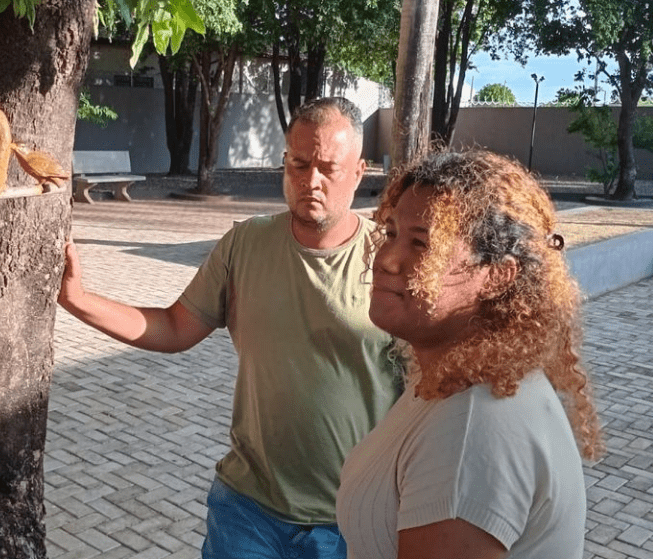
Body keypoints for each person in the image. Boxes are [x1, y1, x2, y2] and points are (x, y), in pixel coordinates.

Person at [58, 97, 401, 559]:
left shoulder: (389, 261)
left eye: (327, 168)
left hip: (352, 522)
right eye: (298, 164)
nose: (310, 181)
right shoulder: (246, 243)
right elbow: (176, 326)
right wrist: (78, 301)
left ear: (359, 173)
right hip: (247, 513)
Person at [336, 149, 604, 559]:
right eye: (390, 233)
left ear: (497, 276)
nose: (387, 260)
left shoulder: (470, 434)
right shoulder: (463, 379)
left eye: (422, 244)